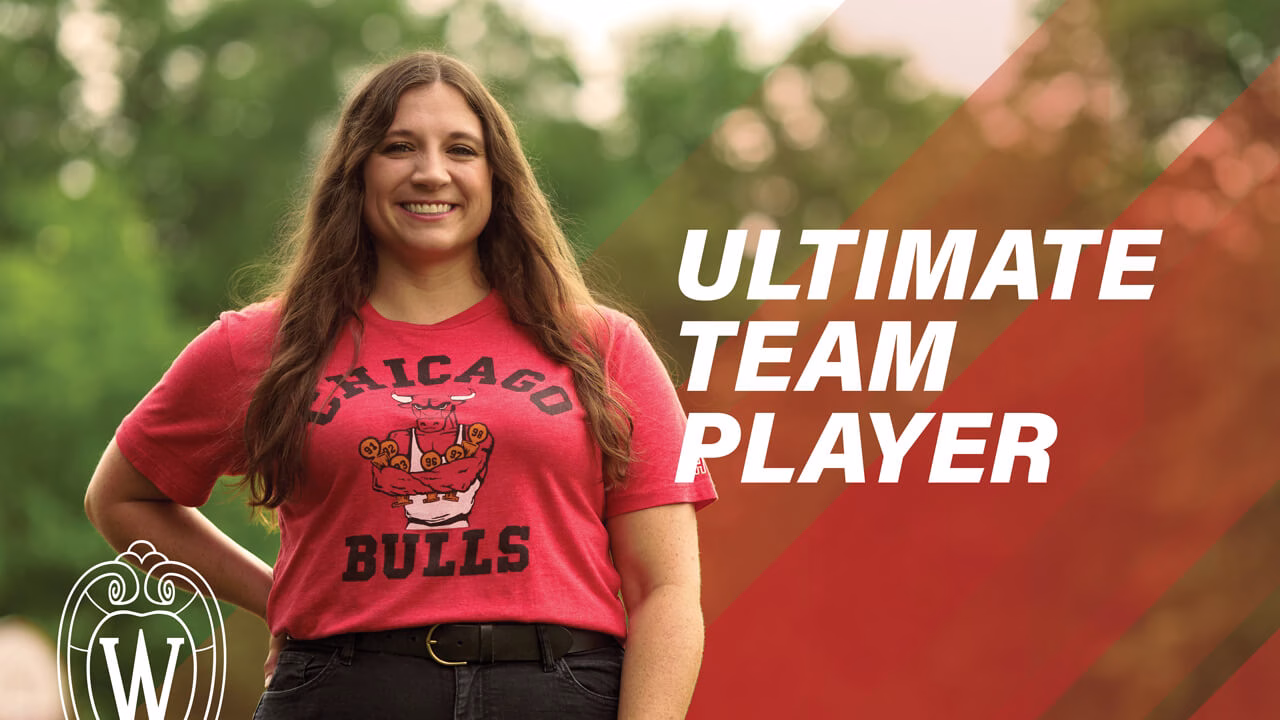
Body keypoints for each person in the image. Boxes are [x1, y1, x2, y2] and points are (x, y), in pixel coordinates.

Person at [83, 50, 716, 719]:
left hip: (558, 691)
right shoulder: (259, 345)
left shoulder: (603, 346)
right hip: (342, 691)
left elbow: (667, 590)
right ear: (357, 170)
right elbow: (121, 499)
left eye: (461, 149)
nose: (431, 172)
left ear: (497, 175)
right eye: (399, 146)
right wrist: (275, 596)